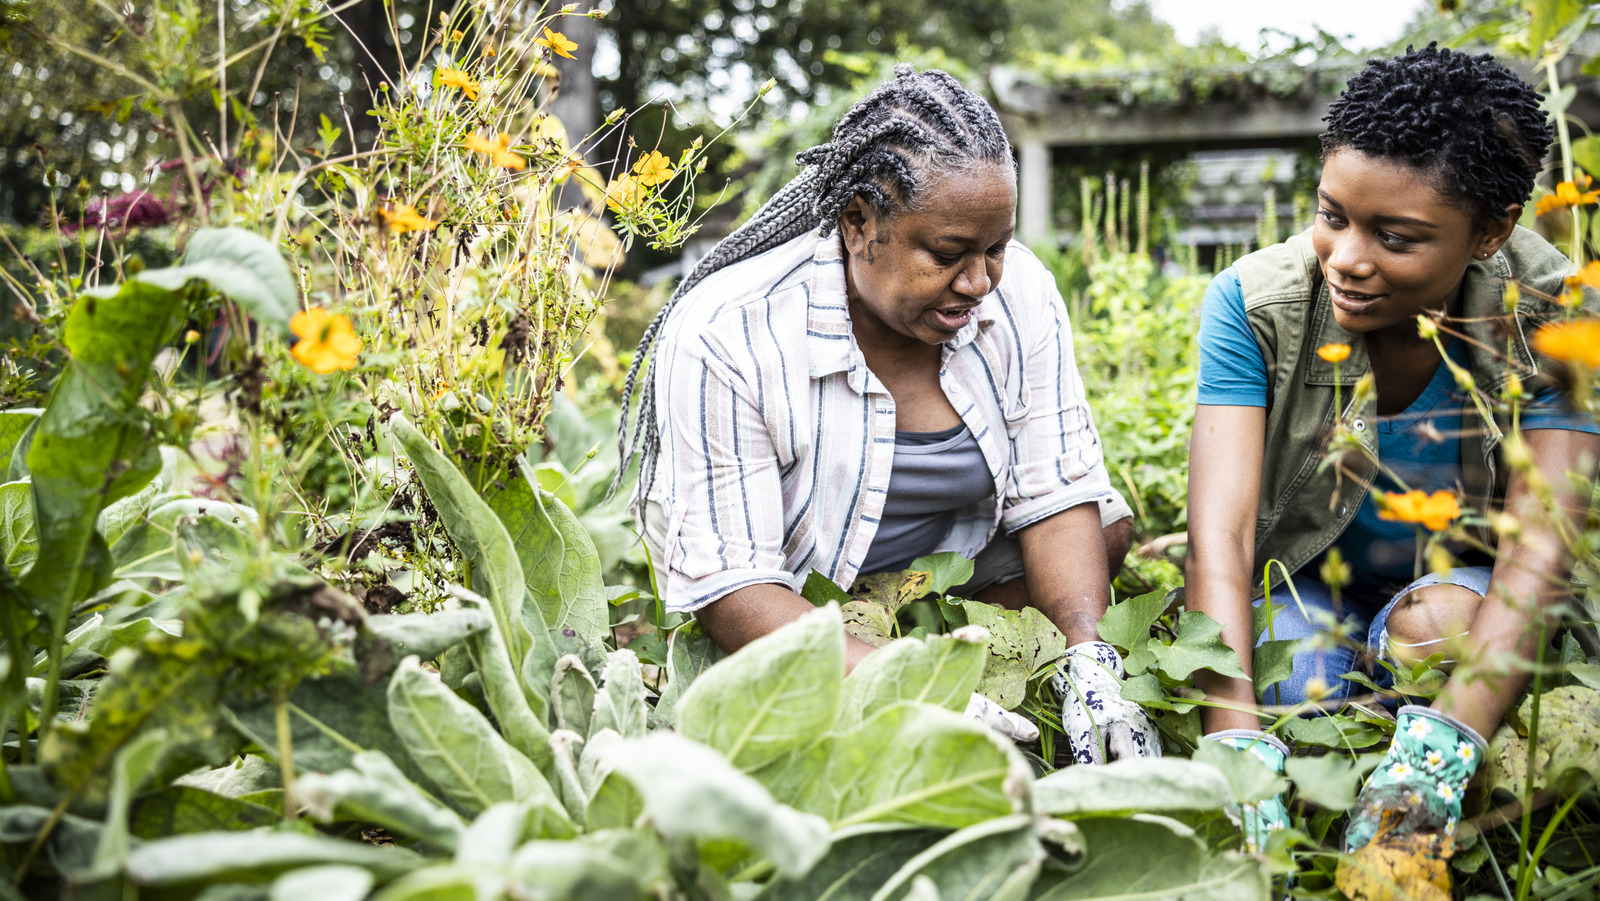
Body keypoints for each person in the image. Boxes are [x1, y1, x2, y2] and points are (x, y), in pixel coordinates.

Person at [611, 65, 1159, 763]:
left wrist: (1090, 660)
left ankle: (999, 663)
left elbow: (1056, 491)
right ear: (858, 224)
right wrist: (905, 686)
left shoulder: (1017, 291)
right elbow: (734, 584)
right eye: (949, 253)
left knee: (1100, 528)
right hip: (794, 590)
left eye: (995, 248)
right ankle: (880, 666)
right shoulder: (729, 332)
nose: (980, 282)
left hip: (945, 569)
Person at [1184, 44, 1599, 853]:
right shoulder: (1253, 304)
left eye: (1396, 236)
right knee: (1295, 695)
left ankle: (1422, 753)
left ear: (1491, 231)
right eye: (1332, 215)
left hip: (1462, 597)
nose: (1345, 258)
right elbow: (1221, 538)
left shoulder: (1558, 315)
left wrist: (1440, 756)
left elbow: (1538, 551)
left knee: (1436, 627)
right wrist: (1236, 747)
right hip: (1309, 587)